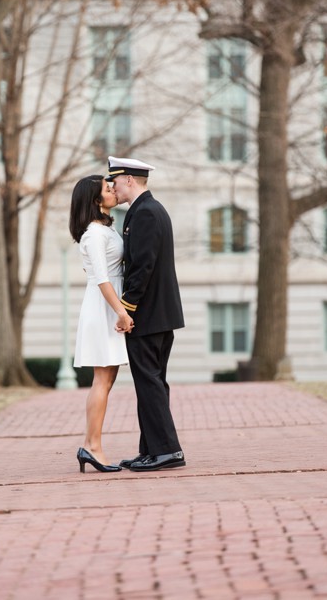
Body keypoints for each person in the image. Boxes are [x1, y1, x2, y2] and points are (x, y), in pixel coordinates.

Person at [105, 156, 186, 472]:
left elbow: (142, 267)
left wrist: (126, 309)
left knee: (149, 382)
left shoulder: (146, 213)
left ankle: (168, 451)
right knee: (152, 382)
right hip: (157, 314)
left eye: (115, 181)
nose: (112, 187)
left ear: (129, 180)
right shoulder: (146, 210)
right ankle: (153, 449)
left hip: (148, 315)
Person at [68, 174, 132, 473]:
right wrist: (120, 311)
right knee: (102, 379)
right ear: (96, 201)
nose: (114, 190)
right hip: (103, 307)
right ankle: (93, 447)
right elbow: (102, 278)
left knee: (107, 379)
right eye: (108, 189)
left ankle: (89, 443)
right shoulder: (94, 233)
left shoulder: (105, 229)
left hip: (108, 304)